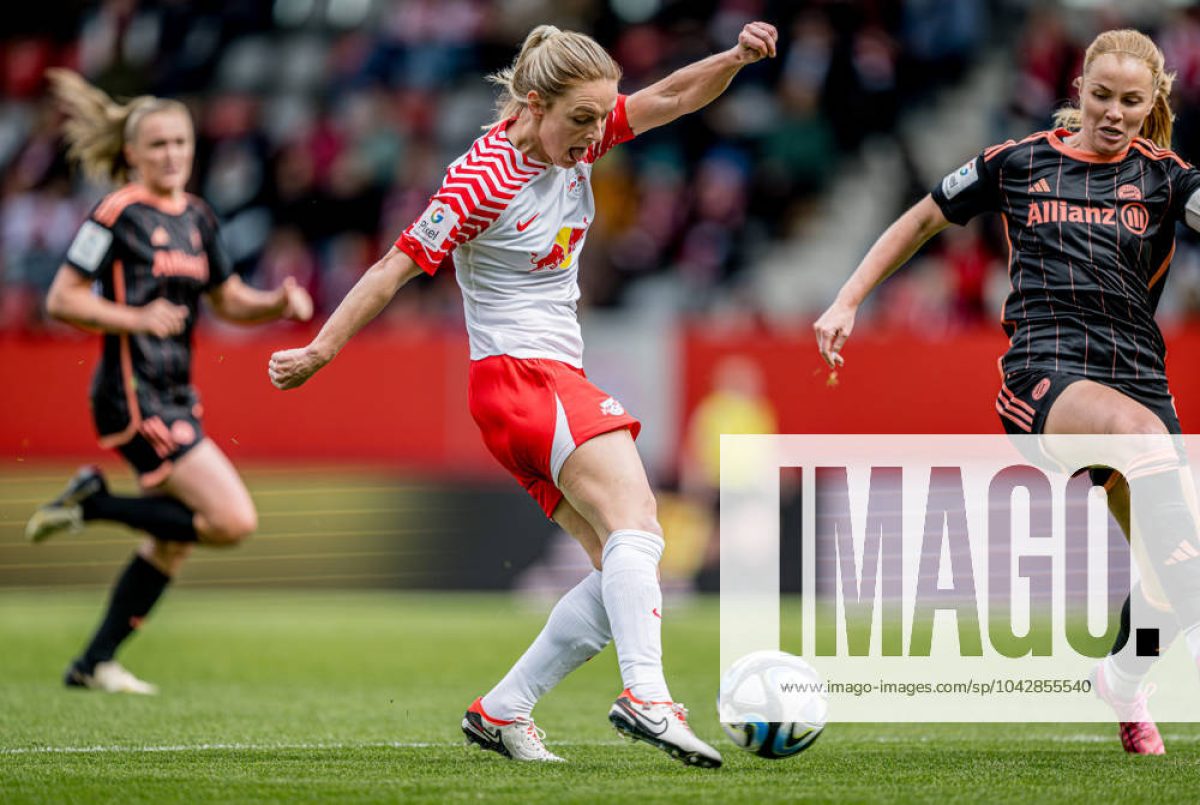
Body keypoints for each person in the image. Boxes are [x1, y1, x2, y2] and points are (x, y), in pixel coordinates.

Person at [269, 22, 779, 767]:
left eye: (601, 117)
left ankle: (503, 709)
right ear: (534, 105)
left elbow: (671, 96)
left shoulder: (578, 140)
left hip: (525, 390)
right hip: (524, 376)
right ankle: (647, 695)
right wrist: (320, 348)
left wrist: (734, 58)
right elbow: (392, 268)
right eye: (581, 118)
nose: (596, 133)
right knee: (639, 523)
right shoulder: (480, 180)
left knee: (621, 562)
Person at [814, 28, 1200, 756]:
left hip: (1140, 382)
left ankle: (1122, 678)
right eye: (1102, 96)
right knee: (1148, 456)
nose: (1114, 113)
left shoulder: (1167, 178)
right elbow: (923, 217)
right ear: (1078, 89)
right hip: (1045, 376)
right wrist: (848, 298)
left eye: (1131, 101)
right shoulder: (1018, 162)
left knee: (1170, 572)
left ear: (1152, 103)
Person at [25, 69, 313, 694]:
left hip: (176, 393)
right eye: (157, 144)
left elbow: (227, 299)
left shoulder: (199, 217)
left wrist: (275, 302)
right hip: (133, 394)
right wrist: (135, 317)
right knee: (231, 521)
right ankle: (92, 503)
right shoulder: (116, 213)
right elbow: (61, 298)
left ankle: (93, 662)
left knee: (171, 543)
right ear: (132, 153)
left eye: (180, 142)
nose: (171, 154)